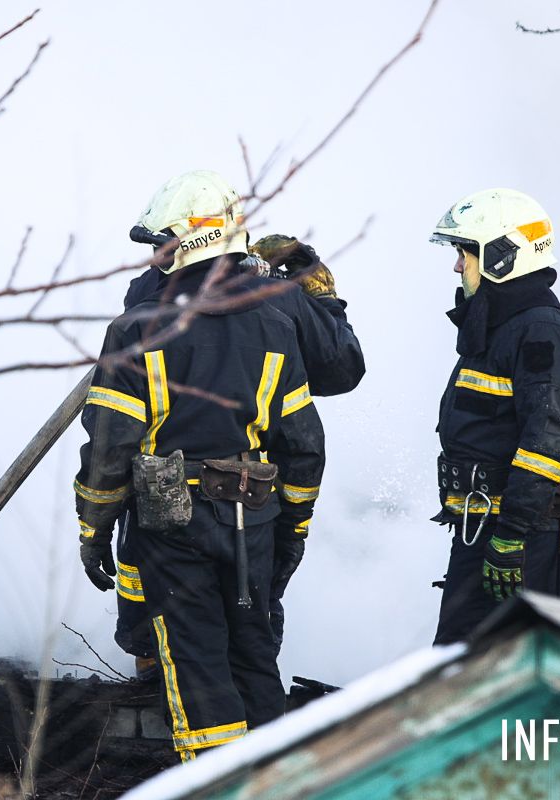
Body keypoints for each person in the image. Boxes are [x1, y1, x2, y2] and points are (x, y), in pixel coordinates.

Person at [74, 169, 326, 760]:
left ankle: (218, 782)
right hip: (254, 520)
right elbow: (303, 443)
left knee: (197, 670)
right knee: (254, 658)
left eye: (161, 243)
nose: (155, 257)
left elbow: (109, 450)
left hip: (174, 528)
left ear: (187, 241)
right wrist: (293, 529)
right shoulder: (275, 326)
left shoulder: (138, 330)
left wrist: (94, 531)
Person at [113, 228, 364, 679]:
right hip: (247, 503)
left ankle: (157, 680)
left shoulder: (148, 290)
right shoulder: (276, 297)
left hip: (159, 500)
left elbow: (115, 424)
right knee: (248, 637)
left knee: (169, 635)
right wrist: (322, 300)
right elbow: (341, 370)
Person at [428, 188, 560, 645]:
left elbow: (549, 440)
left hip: (518, 539)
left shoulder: (540, 330)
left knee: (496, 667)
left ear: (501, 257)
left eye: (464, 254)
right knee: (460, 664)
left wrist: (511, 536)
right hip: (482, 528)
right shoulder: (501, 324)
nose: (456, 266)